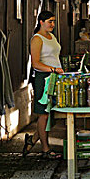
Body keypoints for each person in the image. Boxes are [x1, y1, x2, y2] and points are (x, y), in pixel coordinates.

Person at [23, 11, 64, 159]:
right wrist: (53, 69)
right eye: (49, 21)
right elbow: (35, 64)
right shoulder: (37, 39)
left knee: (52, 114)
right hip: (43, 79)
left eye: (53, 21)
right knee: (44, 115)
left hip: (54, 78)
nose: (52, 24)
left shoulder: (51, 36)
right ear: (41, 22)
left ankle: (33, 139)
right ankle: (45, 149)